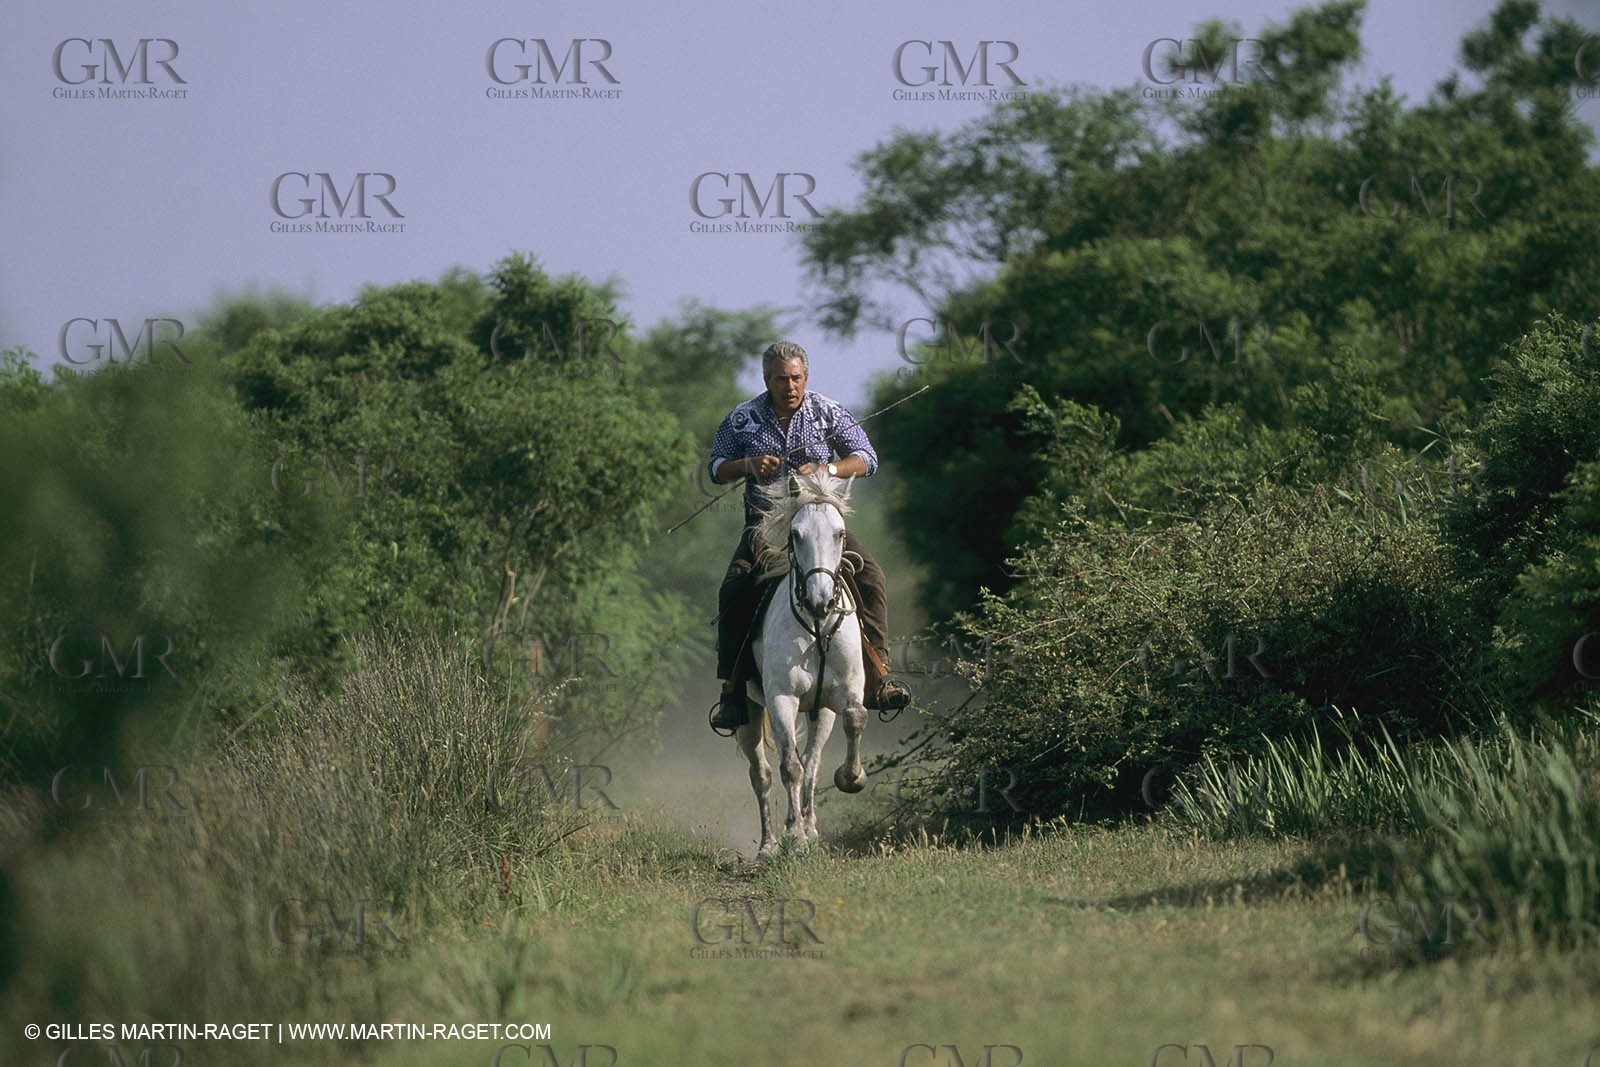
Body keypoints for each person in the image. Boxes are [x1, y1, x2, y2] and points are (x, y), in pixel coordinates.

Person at [707, 341, 911, 732]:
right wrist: (747, 464)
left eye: (796, 377)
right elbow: (716, 467)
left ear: (806, 376)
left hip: (819, 518)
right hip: (764, 525)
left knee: (870, 575)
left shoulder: (827, 411)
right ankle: (732, 691)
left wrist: (828, 469)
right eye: (781, 379)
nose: (790, 386)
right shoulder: (743, 418)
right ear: (767, 379)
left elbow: (866, 458)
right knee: (734, 588)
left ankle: (881, 675)